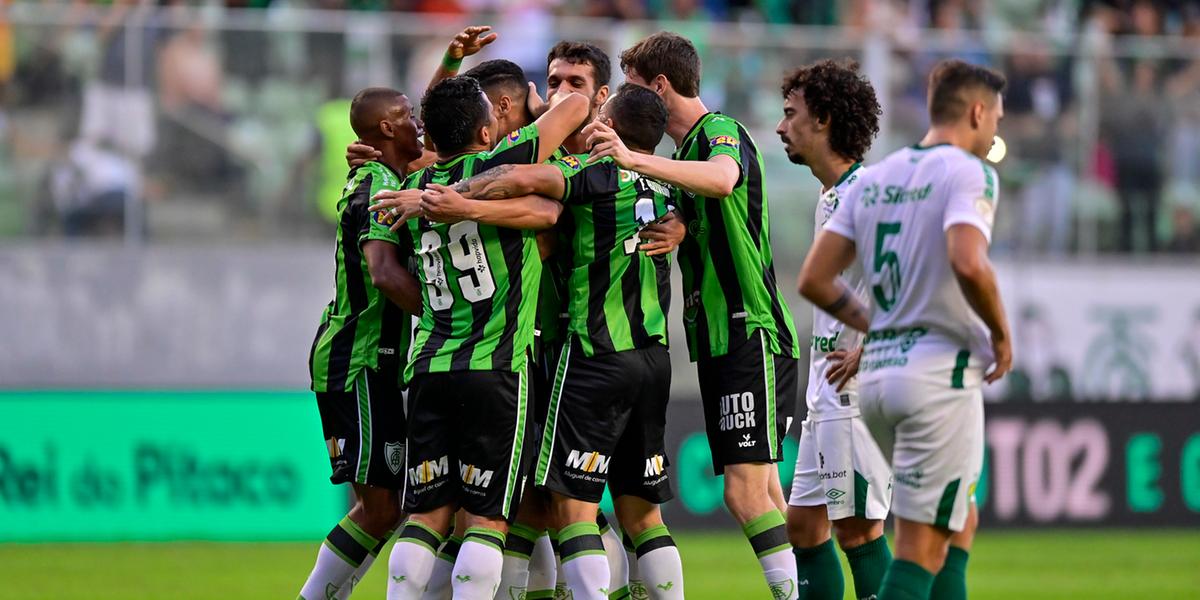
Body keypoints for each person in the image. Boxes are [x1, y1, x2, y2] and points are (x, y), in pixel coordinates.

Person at [417, 83, 687, 600]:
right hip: (653, 356)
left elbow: (520, 177)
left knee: (570, 509)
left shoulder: (594, 170)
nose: (587, 128)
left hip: (594, 356)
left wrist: (445, 197)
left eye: (598, 118)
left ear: (608, 129)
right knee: (642, 513)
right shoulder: (667, 188)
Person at [586, 31, 801, 599]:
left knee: (745, 494)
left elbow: (724, 179)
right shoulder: (682, 159)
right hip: (718, 336)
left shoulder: (718, 131)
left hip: (747, 326)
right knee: (768, 495)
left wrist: (633, 157)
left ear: (659, 86)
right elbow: (697, 202)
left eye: (632, 89)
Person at [797, 59, 1013, 600]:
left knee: (947, 525)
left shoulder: (882, 178)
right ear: (978, 112)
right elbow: (968, 261)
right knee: (929, 541)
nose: (995, 132)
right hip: (937, 372)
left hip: (877, 383)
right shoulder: (969, 170)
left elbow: (815, 280)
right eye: (997, 119)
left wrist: (877, 331)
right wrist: (1002, 333)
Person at [382, 76, 589, 600]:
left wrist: (448, 200)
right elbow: (576, 108)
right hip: (495, 369)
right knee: (486, 516)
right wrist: (537, 104)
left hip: (429, 366)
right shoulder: (497, 165)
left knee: (425, 513)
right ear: (484, 126)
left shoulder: (414, 195)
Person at [299, 87, 425, 600]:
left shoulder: (388, 176)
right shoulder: (377, 184)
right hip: (359, 359)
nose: (418, 121)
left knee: (387, 507)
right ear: (388, 129)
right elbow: (382, 273)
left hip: (371, 360)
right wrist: (447, 315)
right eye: (408, 115)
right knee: (382, 508)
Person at [775, 59, 895, 600]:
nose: (781, 127)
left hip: (857, 389)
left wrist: (870, 347)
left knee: (859, 530)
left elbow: (910, 278)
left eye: (790, 114)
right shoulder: (833, 197)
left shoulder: (869, 195)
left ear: (822, 120)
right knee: (802, 526)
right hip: (826, 390)